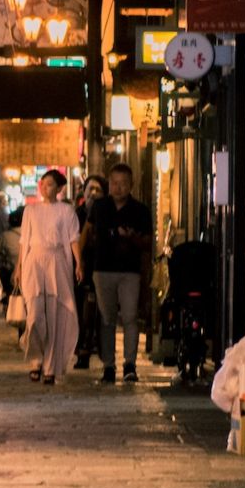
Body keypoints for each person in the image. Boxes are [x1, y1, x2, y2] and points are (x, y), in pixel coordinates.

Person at [81, 163, 153, 384]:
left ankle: (130, 365)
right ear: (109, 184)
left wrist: (132, 238)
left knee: (130, 317)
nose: (118, 187)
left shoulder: (140, 210)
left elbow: (149, 243)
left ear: (131, 185)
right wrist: (80, 262)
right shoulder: (99, 207)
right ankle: (109, 366)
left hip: (130, 271)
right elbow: (87, 231)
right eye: (114, 183)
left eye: (123, 184)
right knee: (106, 318)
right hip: (102, 269)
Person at [18, 169, 83, 385]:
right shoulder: (30, 210)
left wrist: (78, 263)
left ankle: (50, 366)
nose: (46, 188)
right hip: (34, 260)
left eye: (50, 184)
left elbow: (73, 239)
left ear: (59, 188)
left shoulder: (66, 211)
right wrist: (19, 268)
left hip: (56, 260)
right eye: (43, 184)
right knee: (35, 315)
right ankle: (35, 359)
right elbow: (24, 241)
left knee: (55, 315)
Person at [71, 175, 108, 369]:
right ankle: (82, 351)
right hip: (81, 270)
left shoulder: (108, 212)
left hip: (102, 268)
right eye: (90, 189)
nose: (93, 193)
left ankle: (103, 353)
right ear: (83, 192)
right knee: (82, 311)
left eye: (98, 189)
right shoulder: (76, 214)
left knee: (100, 313)